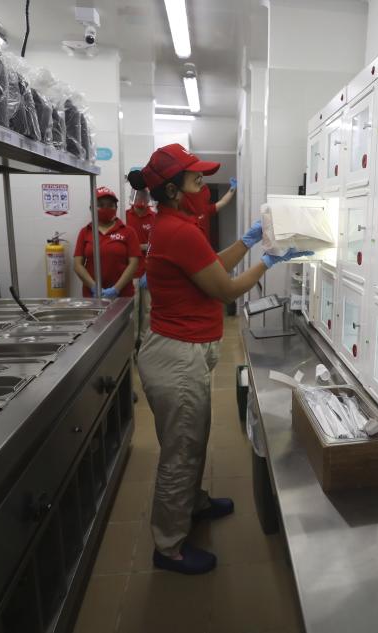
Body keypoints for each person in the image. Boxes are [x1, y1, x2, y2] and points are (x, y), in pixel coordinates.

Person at [127, 144, 309, 575]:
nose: (203, 189)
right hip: (176, 356)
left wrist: (246, 244)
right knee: (182, 449)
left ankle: (195, 504)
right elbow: (225, 290)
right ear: (173, 190)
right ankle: (168, 546)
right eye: (195, 181)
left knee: (193, 436)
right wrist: (267, 261)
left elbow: (210, 268)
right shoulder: (179, 230)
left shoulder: (177, 223)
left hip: (179, 351)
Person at [73, 186, 140, 299]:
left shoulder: (128, 232)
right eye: (101, 205)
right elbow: (77, 265)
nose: (106, 208)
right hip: (92, 296)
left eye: (110, 205)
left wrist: (116, 289)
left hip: (122, 295)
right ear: (91, 208)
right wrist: (94, 287)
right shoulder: (85, 232)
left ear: (116, 207)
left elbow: (133, 264)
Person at [125, 186, 155, 345]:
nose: (141, 200)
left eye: (144, 197)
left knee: (149, 310)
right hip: (131, 272)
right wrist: (142, 246)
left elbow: (158, 244)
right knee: (133, 309)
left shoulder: (154, 217)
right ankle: (132, 342)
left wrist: (142, 247)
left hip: (149, 272)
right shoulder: (125, 217)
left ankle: (144, 342)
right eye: (138, 196)